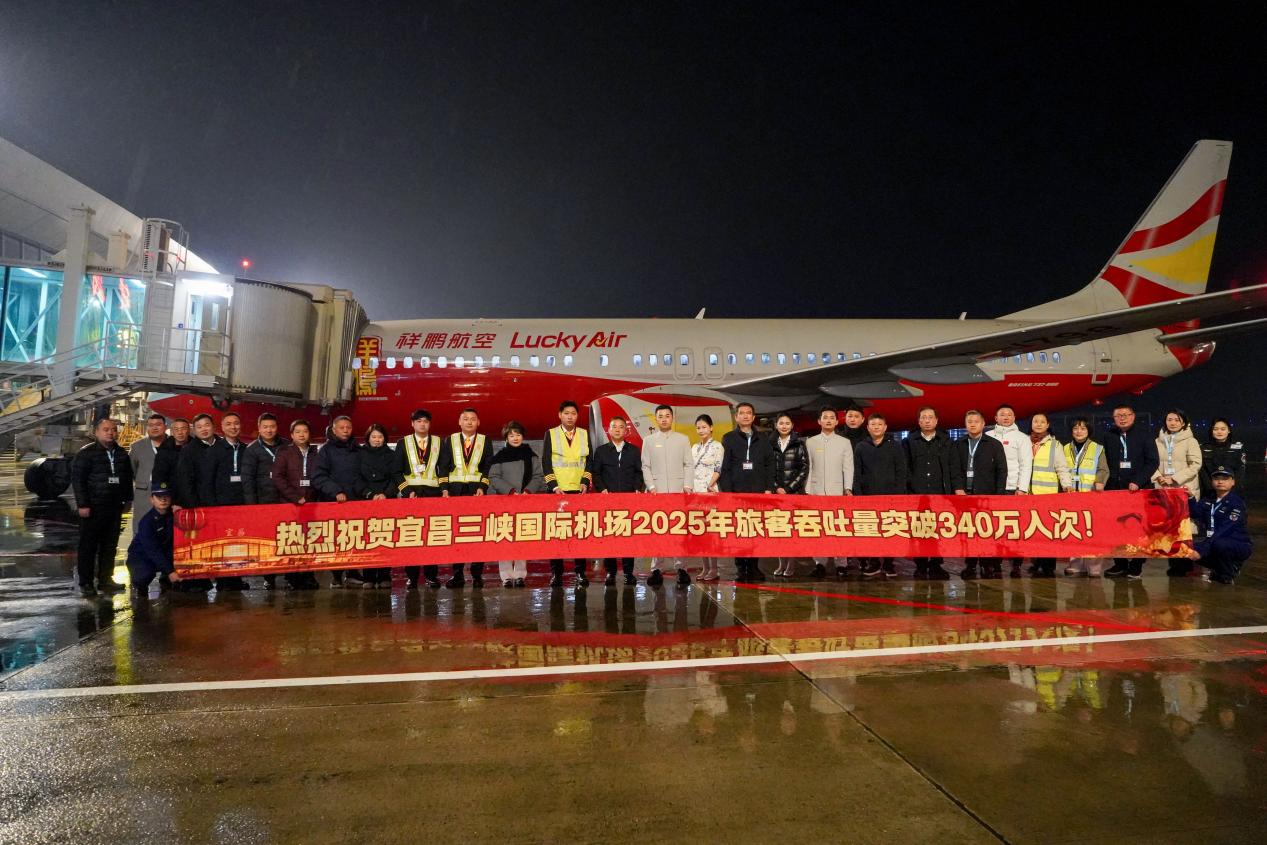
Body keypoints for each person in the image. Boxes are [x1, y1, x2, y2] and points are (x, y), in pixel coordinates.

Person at [72, 418, 134, 597]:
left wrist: (128, 500)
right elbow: (78, 480)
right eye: (106, 429)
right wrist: (83, 504)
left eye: (113, 429)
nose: (110, 433)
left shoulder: (121, 453)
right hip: (93, 508)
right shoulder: (86, 454)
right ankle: (86, 582)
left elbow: (127, 478)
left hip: (114, 507)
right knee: (88, 547)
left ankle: (105, 579)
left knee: (110, 546)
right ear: (96, 432)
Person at [719, 402, 777, 581]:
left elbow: (770, 465)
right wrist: (727, 492)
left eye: (748, 413)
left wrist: (769, 488)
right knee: (739, 530)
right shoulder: (728, 438)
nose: (745, 416)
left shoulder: (763, 438)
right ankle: (740, 566)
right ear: (736, 417)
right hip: (736, 492)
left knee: (755, 530)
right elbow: (724, 467)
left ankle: (754, 565)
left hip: (758, 492)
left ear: (753, 417)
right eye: (742, 413)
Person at [1103, 403, 1159, 579]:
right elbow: (1104, 462)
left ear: (1133, 416)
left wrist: (1138, 481)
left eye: (1125, 415)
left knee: (1138, 529)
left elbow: (1153, 461)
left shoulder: (1144, 435)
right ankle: (1120, 564)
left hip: (1138, 490)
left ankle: (1136, 565)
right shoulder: (1109, 435)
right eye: (1118, 416)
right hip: (1115, 490)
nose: (1122, 418)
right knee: (1116, 529)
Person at [541, 400, 593, 588]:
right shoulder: (551, 434)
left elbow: (589, 461)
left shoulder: (584, 434)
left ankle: (580, 572)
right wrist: (554, 486)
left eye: (573, 413)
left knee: (579, 532)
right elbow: (546, 462)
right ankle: (556, 573)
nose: (570, 417)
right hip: (558, 492)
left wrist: (585, 481)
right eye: (566, 413)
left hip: (579, 491)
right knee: (557, 534)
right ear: (560, 415)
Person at [439, 407, 493, 588]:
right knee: (457, 533)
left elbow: (488, 467)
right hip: (455, 492)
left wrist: (482, 487)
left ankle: (477, 575)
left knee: (478, 533)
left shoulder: (485, 440)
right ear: (459, 422)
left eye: (473, 419)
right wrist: (444, 489)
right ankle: (457, 574)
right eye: (466, 418)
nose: (469, 422)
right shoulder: (450, 440)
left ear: (478, 422)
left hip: (476, 492)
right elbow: (443, 466)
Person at [641, 404, 694, 586]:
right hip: (657, 492)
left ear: (672, 418)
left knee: (679, 530)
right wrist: (651, 486)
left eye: (667, 416)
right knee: (658, 531)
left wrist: (687, 485)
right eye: (660, 416)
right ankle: (656, 569)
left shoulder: (683, 439)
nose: (664, 419)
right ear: (656, 419)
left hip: (679, 491)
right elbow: (645, 466)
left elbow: (688, 464)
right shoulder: (648, 440)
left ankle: (682, 568)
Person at [488, 420, 545, 588]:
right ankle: (506, 576)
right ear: (506, 437)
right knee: (505, 538)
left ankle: (520, 574)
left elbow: (538, 477)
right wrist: (510, 491)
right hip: (504, 502)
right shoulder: (499, 457)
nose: (515, 438)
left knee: (521, 539)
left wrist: (527, 491)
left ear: (522, 437)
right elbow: (494, 477)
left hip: (525, 502)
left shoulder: (531, 455)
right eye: (511, 435)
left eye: (518, 435)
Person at [953, 410, 1008, 579]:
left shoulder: (993, 444)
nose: (972, 424)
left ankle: (986, 565)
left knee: (986, 532)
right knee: (968, 533)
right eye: (969, 421)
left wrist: (999, 495)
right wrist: (958, 488)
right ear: (965, 424)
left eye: (976, 421)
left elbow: (1002, 471)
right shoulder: (958, 444)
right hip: (965, 495)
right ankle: (970, 565)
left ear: (983, 424)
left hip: (987, 494)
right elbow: (954, 468)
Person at [393, 409, 444, 589]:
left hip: (433, 494)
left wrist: (444, 490)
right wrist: (406, 490)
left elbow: (444, 469)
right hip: (411, 495)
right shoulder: (403, 443)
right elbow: (396, 471)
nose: (422, 424)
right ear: (412, 424)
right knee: (411, 536)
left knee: (431, 536)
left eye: (426, 421)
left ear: (430, 424)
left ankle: (431, 576)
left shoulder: (439, 442)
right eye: (419, 421)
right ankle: (412, 577)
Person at [852, 413, 908, 577]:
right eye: (873, 425)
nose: (876, 427)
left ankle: (889, 563)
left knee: (890, 530)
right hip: (868, 496)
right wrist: (858, 494)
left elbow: (901, 471)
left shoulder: (895, 446)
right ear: (868, 427)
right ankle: (874, 562)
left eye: (879, 424)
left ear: (885, 427)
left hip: (891, 497)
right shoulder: (861, 447)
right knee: (872, 531)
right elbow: (857, 473)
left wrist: (899, 494)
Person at [312, 415, 365, 587]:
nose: (345, 430)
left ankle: (353, 572)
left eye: (348, 427)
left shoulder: (357, 449)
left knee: (354, 538)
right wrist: (336, 491)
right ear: (334, 430)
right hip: (333, 502)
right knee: (336, 539)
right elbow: (318, 476)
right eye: (341, 428)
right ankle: (336, 576)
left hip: (355, 501)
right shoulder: (325, 451)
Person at [904, 406, 957, 579]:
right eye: (923, 417)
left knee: (937, 530)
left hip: (939, 492)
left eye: (930, 417)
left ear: (936, 421)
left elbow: (953, 467)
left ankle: (936, 565)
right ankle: (920, 565)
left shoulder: (946, 441)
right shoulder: (909, 442)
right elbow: (904, 468)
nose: (927, 420)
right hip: (916, 493)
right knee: (919, 530)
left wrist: (956, 489)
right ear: (919, 421)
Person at [173, 413, 221, 592]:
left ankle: (222, 578)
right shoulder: (189, 450)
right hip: (198, 506)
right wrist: (193, 505)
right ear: (194, 430)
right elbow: (185, 481)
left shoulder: (222, 446)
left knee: (218, 544)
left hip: (220, 506)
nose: (204, 429)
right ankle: (196, 580)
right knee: (198, 544)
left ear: (213, 426)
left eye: (207, 425)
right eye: (199, 427)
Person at [806, 406, 855, 578]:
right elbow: (809, 467)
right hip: (816, 491)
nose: (828, 420)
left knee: (839, 529)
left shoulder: (844, 442)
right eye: (825, 417)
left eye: (831, 417)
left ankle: (841, 564)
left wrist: (848, 488)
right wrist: (808, 490)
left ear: (836, 421)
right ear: (819, 421)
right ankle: (819, 563)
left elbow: (848, 467)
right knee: (818, 529)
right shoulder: (810, 442)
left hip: (838, 491)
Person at [592, 416, 642, 586]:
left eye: (621, 427)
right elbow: (596, 473)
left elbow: (639, 472)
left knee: (628, 537)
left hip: (628, 500)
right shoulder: (601, 451)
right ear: (609, 430)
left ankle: (628, 573)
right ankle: (611, 573)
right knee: (610, 537)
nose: (618, 429)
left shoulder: (633, 451)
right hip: (608, 500)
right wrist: (602, 489)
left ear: (626, 431)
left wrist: (637, 488)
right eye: (614, 427)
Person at [242, 412, 289, 589]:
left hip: (285, 500)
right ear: (259, 428)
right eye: (265, 427)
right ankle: (269, 577)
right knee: (268, 541)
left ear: (277, 428)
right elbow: (248, 479)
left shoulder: (286, 445)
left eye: (272, 427)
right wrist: (252, 506)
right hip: (264, 502)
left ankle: (290, 574)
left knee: (286, 539)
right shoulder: (252, 449)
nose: (269, 430)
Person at [272, 419, 320, 589]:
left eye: (305, 431)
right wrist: (295, 497)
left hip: (311, 504)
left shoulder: (315, 453)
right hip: (290, 504)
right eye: (297, 432)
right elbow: (277, 477)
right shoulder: (284, 452)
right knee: (292, 541)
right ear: (291, 435)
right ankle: (292, 577)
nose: (301, 435)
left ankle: (309, 575)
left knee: (310, 540)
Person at [987, 404, 1032, 577]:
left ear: (1014, 418)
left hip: (1013, 489)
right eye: (1002, 414)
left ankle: (1016, 564)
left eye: (1009, 414)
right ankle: (995, 563)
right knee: (993, 528)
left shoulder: (1022, 438)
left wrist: (1022, 488)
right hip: (993, 489)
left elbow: (1026, 465)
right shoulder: (988, 436)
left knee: (1014, 529)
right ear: (995, 418)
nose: (1006, 417)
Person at [1186, 466, 1252, 584]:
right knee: (1186, 548)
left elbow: (1223, 531)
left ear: (1233, 482)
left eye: (1225, 479)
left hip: (1236, 543)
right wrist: (1190, 497)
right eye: (1216, 479)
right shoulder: (1209, 498)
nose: (1220, 482)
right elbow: (1196, 513)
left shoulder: (1236, 503)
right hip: (1213, 540)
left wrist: (1201, 550)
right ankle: (1219, 568)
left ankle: (1228, 573)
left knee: (1218, 544)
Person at [1026, 412, 1074, 576]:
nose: (1038, 424)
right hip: (1028, 495)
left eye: (1042, 422)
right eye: (1035, 421)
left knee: (1047, 531)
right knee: (1032, 531)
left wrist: (1067, 485)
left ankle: (1048, 565)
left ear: (1047, 425)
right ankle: (1035, 562)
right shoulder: (1025, 442)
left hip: (1047, 495)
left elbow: (1062, 467)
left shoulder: (1055, 445)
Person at [207, 412, 250, 591]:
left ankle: (236, 578)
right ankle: (223, 580)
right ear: (222, 427)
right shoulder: (214, 450)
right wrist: (212, 505)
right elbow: (208, 480)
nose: (233, 427)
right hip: (221, 505)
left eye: (236, 423)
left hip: (241, 505)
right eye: (229, 424)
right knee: (222, 543)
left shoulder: (246, 449)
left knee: (239, 542)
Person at [1062, 416, 1109, 576]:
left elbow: (1103, 469)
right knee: (1074, 531)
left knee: (1092, 532)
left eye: (1083, 428)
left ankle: (1094, 567)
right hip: (1071, 497)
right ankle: (1076, 565)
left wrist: (1100, 482)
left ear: (1088, 431)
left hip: (1091, 496)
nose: (1079, 431)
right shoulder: (1065, 448)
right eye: (1075, 428)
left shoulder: (1097, 448)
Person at [769, 413, 809, 578]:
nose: (784, 426)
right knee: (778, 530)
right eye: (781, 423)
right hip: (775, 495)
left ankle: (791, 564)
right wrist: (776, 487)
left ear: (792, 425)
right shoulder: (770, 443)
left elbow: (804, 468)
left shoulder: (799, 444)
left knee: (791, 531)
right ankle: (781, 564)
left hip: (794, 494)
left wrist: (789, 488)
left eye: (787, 423)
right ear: (776, 425)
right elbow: (767, 468)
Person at [358, 423, 397, 587]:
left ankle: (384, 575)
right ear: (368, 438)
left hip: (386, 500)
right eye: (373, 437)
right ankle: (368, 576)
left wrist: (386, 494)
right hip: (366, 501)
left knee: (385, 538)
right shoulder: (359, 454)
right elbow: (356, 478)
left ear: (385, 439)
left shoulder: (392, 455)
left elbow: (396, 477)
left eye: (380, 437)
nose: (376, 440)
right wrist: (370, 494)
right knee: (367, 539)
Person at [690, 414, 725, 581]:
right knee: (700, 531)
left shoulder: (717, 446)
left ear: (711, 428)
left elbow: (718, 468)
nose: (701, 430)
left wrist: (710, 484)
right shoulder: (694, 447)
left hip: (710, 491)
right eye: (698, 428)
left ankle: (714, 569)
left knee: (711, 531)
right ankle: (704, 567)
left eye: (704, 427)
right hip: (695, 493)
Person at [126, 481, 175, 594]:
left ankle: (167, 580)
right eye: (159, 497)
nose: (163, 500)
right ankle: (138, 587)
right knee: (142, 576)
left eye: (166, 496)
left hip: (164, 554)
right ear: (152, 499)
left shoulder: (174, 517)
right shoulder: (146, 522)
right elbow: (153, 550)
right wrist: (170, 571)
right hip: (143, 556)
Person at [129, 413, 174, 524]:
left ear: (165, 426)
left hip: (169, 494)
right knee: (142, 526)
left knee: (169, 526)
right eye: (150, 425)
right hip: (144, 496)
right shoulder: (137, 447)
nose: (154, 428)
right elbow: (131, 471)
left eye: (158, 424)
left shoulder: (174, 444)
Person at [1151, 409, 1202, 498]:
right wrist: (1158, 477)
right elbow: (1151, 462)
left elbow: (1195, 464)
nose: (1172, 423)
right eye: (1169, 420)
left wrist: (1175, 478)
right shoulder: (1157, 441)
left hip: (1185, 487)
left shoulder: (1190, 441)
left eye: (1177, 420)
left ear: (1183, 423)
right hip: (1163, 486)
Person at [1199, 418, 1246, 494]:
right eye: (1215, 429)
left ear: (1229, 430)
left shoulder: (1238, 448)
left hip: (1232, 491)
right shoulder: (1203, 448)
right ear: (1211, 431)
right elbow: (1203, 472)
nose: (1219, 432)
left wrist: (1233, 492)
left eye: (1223, 429)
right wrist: (1210, 489)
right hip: (1209, 491)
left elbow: (1240, 472)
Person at [150, 417, 189, 491]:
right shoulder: (164, 451)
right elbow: (158, 477)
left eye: (183, 429)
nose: (180, 432)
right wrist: (162, 492)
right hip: (170, 493)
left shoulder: (196, 449)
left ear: (189, 430)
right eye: (176, 429)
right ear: (172, 432)